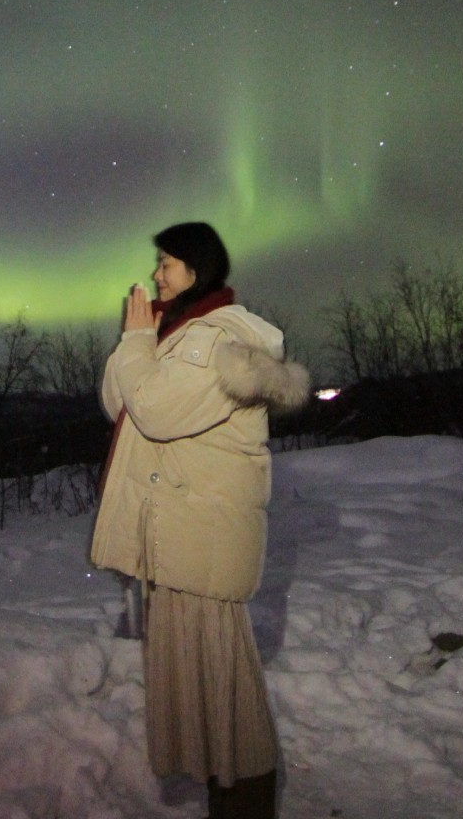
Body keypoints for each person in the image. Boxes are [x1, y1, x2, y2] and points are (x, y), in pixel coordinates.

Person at [89, 222, 310, 819]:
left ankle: (246, 805)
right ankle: (231, 802)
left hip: (200, 541)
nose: (157, 272)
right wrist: (138, 337)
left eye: (167, 262)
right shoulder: (181, 333)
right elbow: (121, 403)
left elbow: (155, 410)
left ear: (197, 268)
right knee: (207, 693)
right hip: (184, 537)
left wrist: (141, 341)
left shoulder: (216, 339)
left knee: (226, 691)